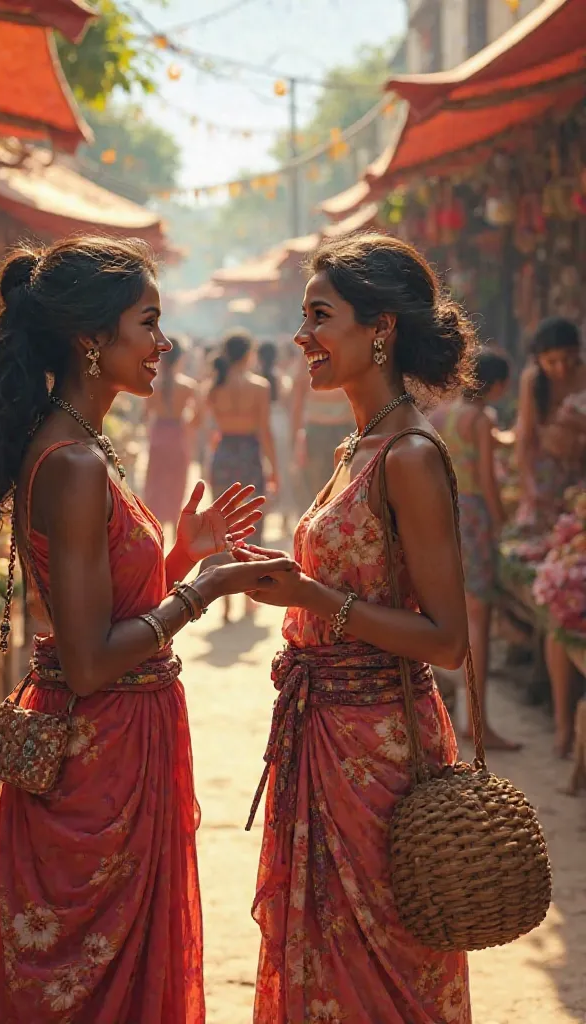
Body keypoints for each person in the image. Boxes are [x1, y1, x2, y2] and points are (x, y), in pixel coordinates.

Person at [0, 237, 297, 1024]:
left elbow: (101, 605)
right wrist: (199, 588)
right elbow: (86, 661)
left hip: (114, 747)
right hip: (98, 754)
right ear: (91, 338)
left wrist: (181, 551)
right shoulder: (76, 461)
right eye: (147, 323)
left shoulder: (79, 443)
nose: (164, 344)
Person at [234, 233, 473, 1023]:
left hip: (382, 757)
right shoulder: (356, 447)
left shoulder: (407, 454)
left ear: (381, 328)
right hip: (326, 742)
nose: (302, 335)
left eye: (319, 316)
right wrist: (294, 585)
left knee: (387, 982)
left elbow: (447, 640)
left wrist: (311, 594)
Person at [431, 349, 520, 751]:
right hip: (476, 521)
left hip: (440, 519)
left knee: (444, 616)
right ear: (497, 386)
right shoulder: (480, 420)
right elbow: (487, 482)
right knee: (478, 624)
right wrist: (506, 523)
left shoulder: (440, 415)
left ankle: (450, 710)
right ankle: (478, 722)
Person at [206, 329, 279, 621]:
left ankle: (224, 599)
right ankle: (250, 594)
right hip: (248, 453)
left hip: (223, 452)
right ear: (248, 354)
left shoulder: (213, 387)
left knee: (222, 524)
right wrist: (274, 468)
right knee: (251, 524)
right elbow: (265, 432)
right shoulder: (260, 386)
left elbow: (208, 425)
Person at [516, 316, 586, 532]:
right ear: (539, 359)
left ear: (577, 353)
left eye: (567, 359)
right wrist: (530, 488)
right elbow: (525, 440)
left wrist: (576, 423)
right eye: (552, 362)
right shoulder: (533, 381)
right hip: (547, 476)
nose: (561, 369)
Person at [143, 334, 197, 533]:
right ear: (181, 358)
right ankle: (175, 528)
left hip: (158, 433)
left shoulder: (151, 384)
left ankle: (155, 529)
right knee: (177, 484)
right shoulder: (188, 386)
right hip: (178, 435)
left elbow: (145, 415)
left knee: (155, 485)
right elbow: (196, 420)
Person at [290, 358, 354, 511]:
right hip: (316, 433)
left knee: (346, 487)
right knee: (318, 488)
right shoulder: (306, 367)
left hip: (345, 432)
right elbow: (296, 408)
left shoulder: (349, 363)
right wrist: (296, 442)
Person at [257, 340, 295, 535]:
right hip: (279, 423)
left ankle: (261, 514)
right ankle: (285, 519)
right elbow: (287, 402)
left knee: (261, 471)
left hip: (258, 425)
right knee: (282, 471)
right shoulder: (280, 378)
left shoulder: (255, 378)